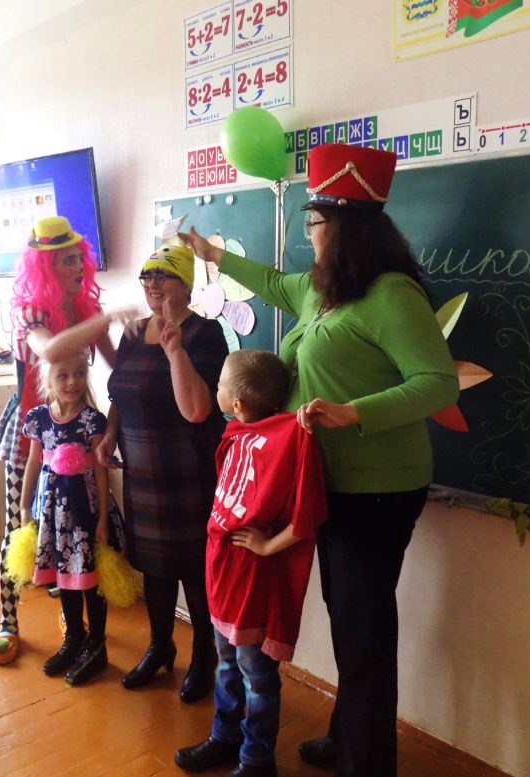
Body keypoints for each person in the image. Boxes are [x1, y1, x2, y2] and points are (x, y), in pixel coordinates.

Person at [178, 143, 460, 777]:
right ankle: (345, 738)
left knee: (363, 632)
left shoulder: (391, 296)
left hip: (377, 490)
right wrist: (215, 256)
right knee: (346, 619)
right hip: (327, 483)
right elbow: (272, 283)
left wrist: (352, 411)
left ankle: (366, 764)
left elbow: (438, 384)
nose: (308, 231)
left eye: (315, 221)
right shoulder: (320, 290)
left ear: (347, 227)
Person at [174, 350, 327, 777]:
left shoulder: (287, 437)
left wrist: (268, 545)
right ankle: (225, 738)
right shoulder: (237, 431)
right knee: (227, 662)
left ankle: (257, 760)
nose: (216, 389)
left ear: (237, 402)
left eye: (220, 384)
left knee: (257, 675)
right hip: (223, 574)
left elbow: (308, 518)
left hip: (251, 583)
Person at [0, 215, 128, 665]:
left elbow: (117, 364)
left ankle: (78, 625)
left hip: (79, 429)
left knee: (81, 530)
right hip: (34, 430)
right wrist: (105, 318)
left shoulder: (84, 309)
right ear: (45, 267)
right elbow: (49, 349)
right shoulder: (31, 312)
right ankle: (8, 621)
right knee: (22, 529)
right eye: (66, 261)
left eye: (77, 258)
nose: (77, 267)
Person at [97, 243, 228, 702]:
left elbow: (199, 408)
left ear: (185, 284)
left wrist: (175, 351)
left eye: (163, 275)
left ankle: (205, 656)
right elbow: (120, 394)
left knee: (194, 568)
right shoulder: (134, 332)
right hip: (141, 469)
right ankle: (160, 646)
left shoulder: (206, 333)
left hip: (188, 469)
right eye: (146, 276)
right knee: (153, 567)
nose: (152, 284)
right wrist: (110, 434)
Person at [19, 352, 126, 684]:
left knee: (90, 578)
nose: (72, 382)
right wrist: (24, 507)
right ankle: (74, 637)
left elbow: (101, 471)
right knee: (64, 576)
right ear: (48, 380)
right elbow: (34, 463)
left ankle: (96, 645)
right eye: (63, 375)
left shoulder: (92, 421)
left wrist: (103, 519)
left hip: (85, 513)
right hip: (53, 514)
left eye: (79, 374)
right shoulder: (39, 418)